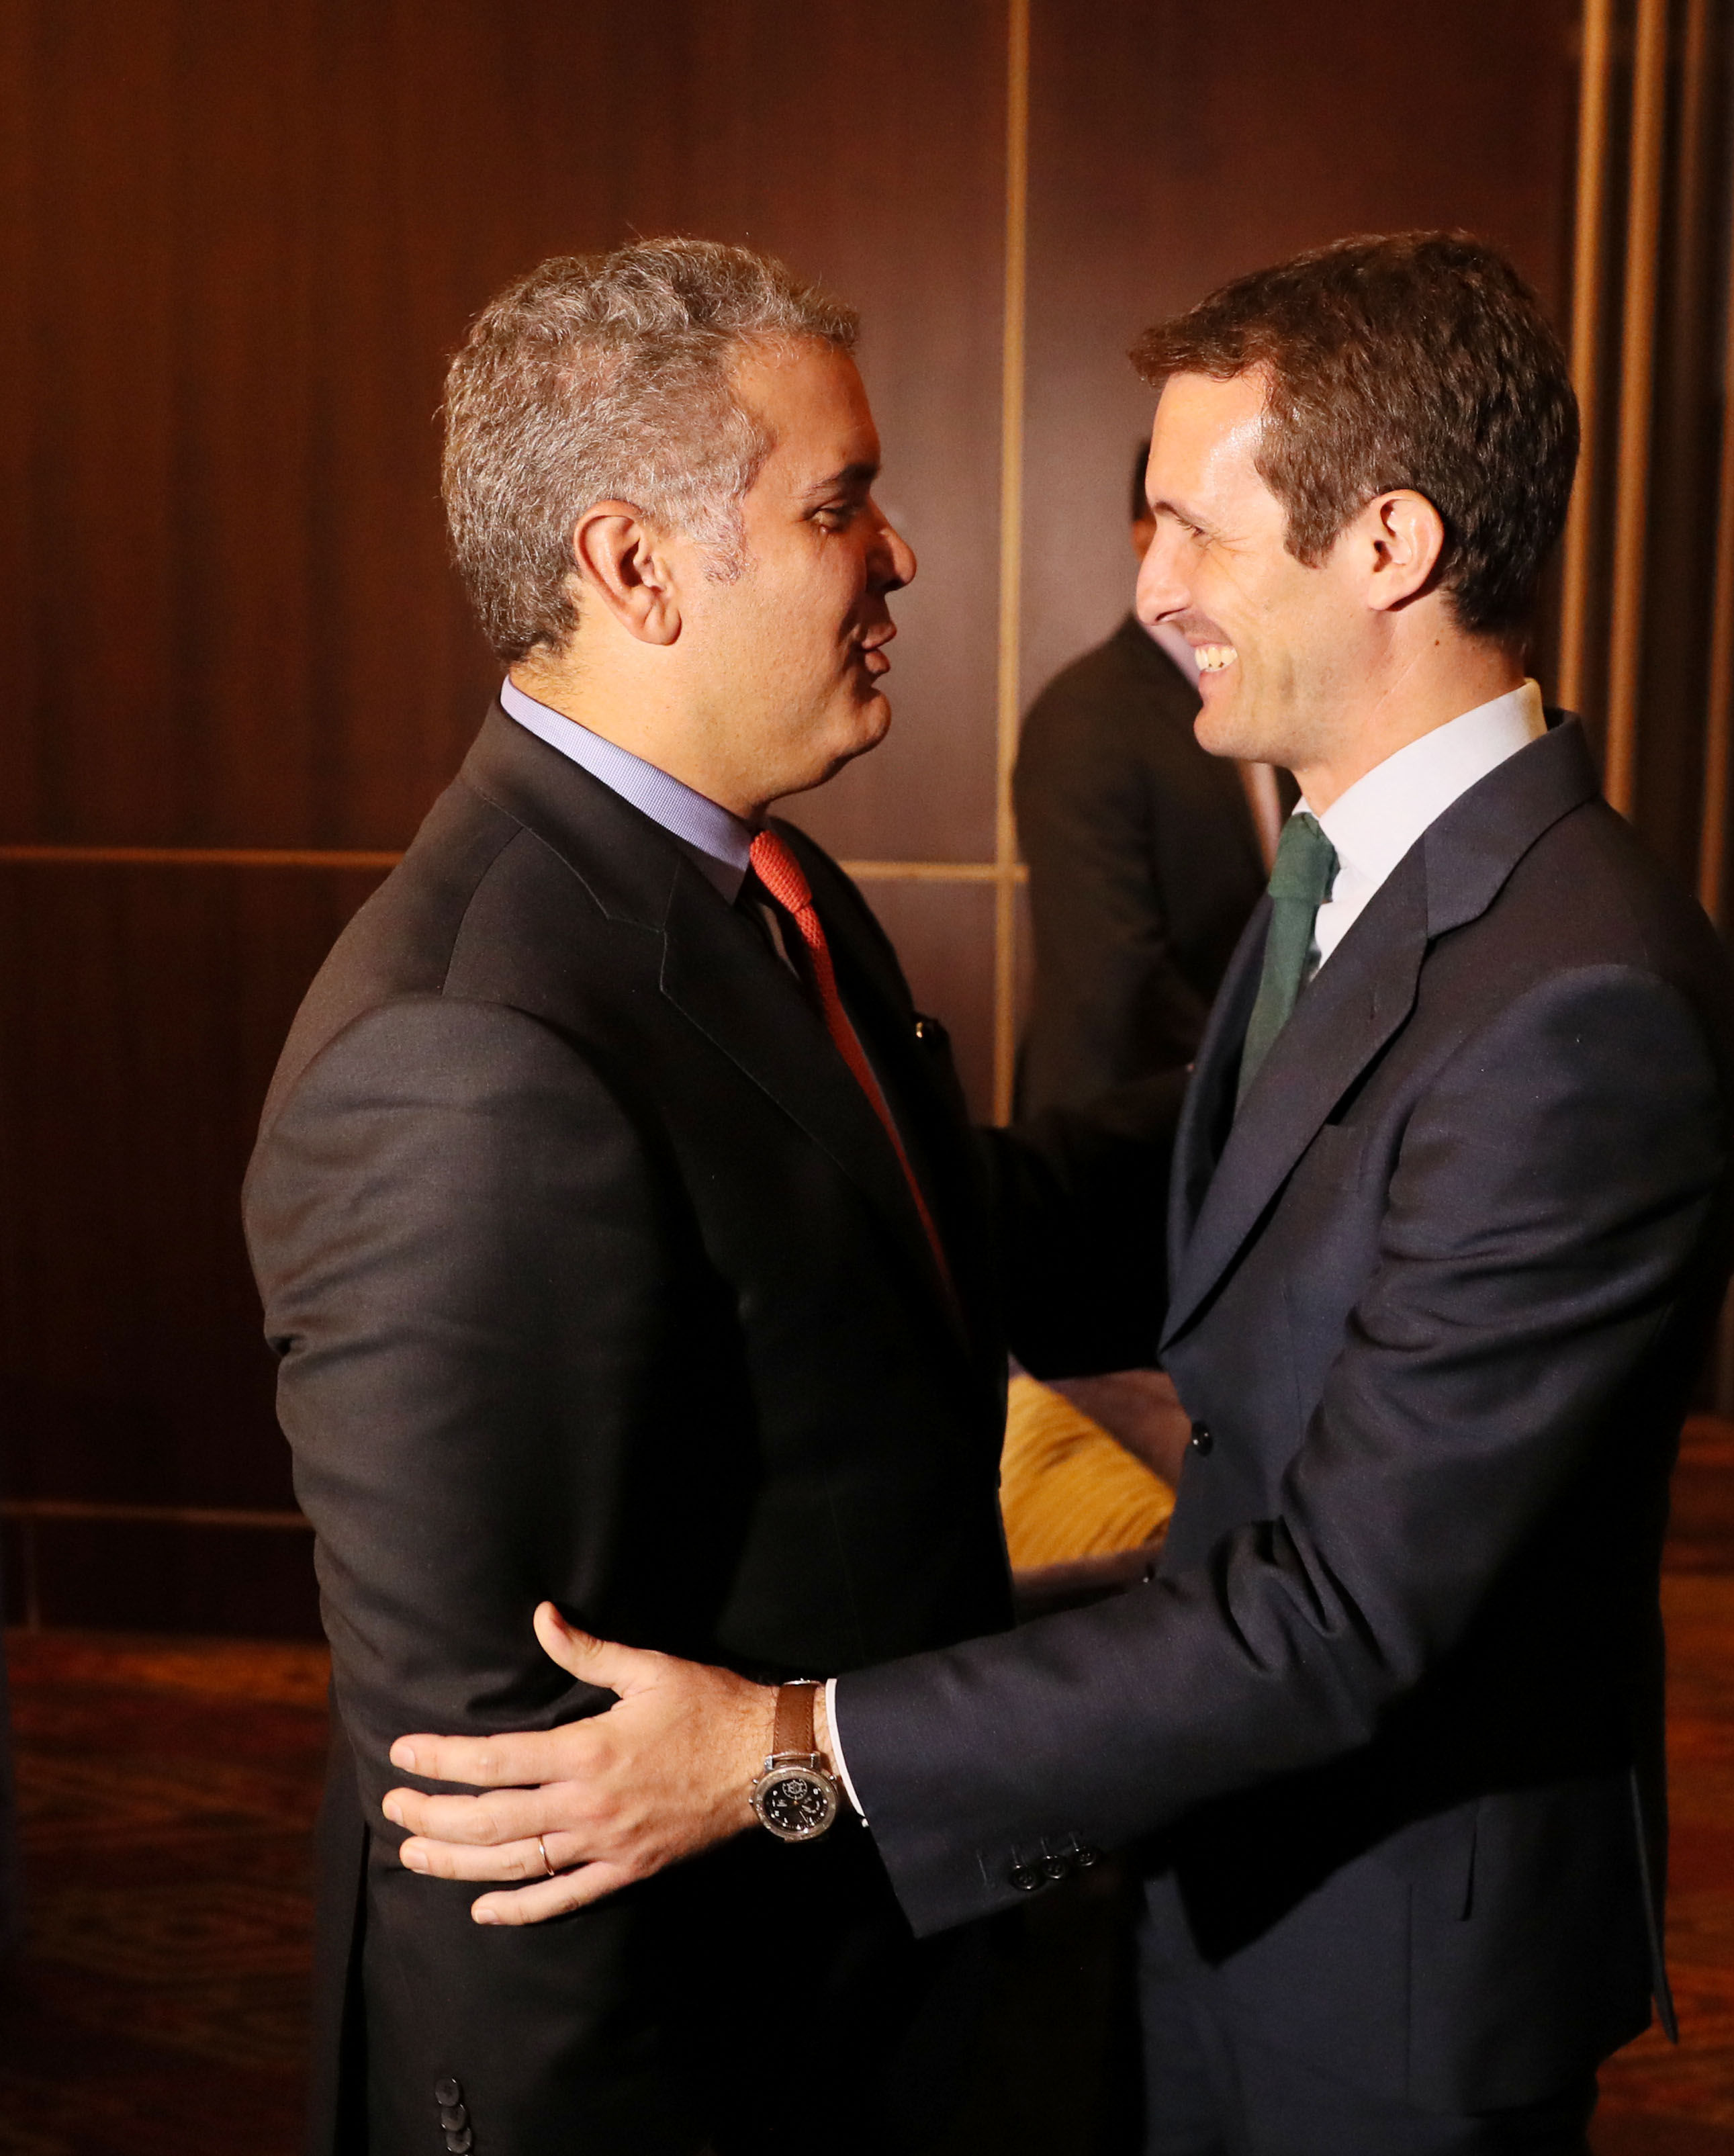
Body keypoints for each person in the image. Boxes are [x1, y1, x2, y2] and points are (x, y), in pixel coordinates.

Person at [381, 234, 1734, 2156]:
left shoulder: (1583, 1001)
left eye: (1191, 528)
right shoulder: (1384, 896)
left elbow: (1334, 1616)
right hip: (1224, 1875)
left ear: (1385, 545)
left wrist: (783, 1754)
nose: (1148, 588)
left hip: (1386, 1961)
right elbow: (1154, 1200)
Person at [244, 238, 1170, 2156]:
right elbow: (497, 1809)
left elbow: (926, 1246)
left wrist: (1311, 1105)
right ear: (634, 567)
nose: (898, 554)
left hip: (868, 1979)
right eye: (840, 503)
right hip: (685, 2060)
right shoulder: (464, 1054)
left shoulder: (768, 887)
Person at [1014, 443, 1289, 1121]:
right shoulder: (1084, 714)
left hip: (1230, 1117)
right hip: (1117, 1128)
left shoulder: (1273, 693)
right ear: (1146, 539)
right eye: (1199, 529)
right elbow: (1116, 972)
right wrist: (1263, 1081)